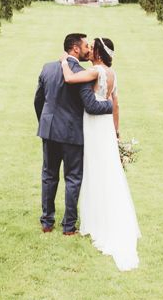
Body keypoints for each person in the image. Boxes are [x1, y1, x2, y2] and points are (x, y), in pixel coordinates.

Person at [61, 37, 141, 271]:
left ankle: (97, 221)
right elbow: (116, 105)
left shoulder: (96, 71)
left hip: (94, 127)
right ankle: (107, 215)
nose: (90, 51)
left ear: (97, 53)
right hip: (106, 128)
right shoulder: (113, 74)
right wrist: (116, 133)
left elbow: (69, 78)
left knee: (94, 168)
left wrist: (65, 60)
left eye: (92, 48)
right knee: (108, 169)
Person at [34, 33, 113, 235]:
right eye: (86, 46)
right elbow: (91, 105)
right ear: (76, 49)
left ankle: (46, 222)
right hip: (72, 134)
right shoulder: (83, 74)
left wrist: (44, 123)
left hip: (50, 131)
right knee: (73, 178)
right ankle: (69, 226)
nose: (89, 50)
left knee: (49, 176)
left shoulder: (48, 68)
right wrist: (112, 105)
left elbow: (38, 101)